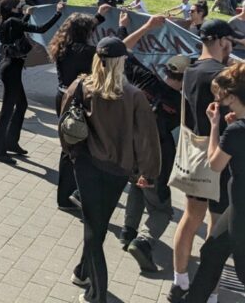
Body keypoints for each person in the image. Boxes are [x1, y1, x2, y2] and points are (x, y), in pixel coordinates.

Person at [168, 19, 245, 301]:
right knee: (220, 239)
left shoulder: (193, 69)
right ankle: (209, 293)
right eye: (229, 40)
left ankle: (180, 280)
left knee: (192, 220)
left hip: (199, 159)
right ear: (222, 41)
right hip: (228, 173)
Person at [61, 36, 160, 303]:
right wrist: (148, 173)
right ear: (122, 62)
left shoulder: (81, 86)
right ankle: (85, 275)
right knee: (98, 222)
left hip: (87, 164)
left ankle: (97, 293)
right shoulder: (135, 96)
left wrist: (71, 153)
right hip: (119, 169)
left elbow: (64, 121)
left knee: (95, 225)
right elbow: (148, 138)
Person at [185, 63, 245, 302]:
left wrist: (216, 126)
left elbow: (215, 165)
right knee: (212, 251)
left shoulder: (236, 130)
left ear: (233, 97)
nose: (217, 98)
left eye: (219, 94)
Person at [119, 15, 187, 274]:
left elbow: (122, 48)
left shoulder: (143, 78)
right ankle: (144, 241)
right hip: (158, 158)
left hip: (132, 149)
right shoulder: (183, 105)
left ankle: (127, 232)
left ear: (166, 68)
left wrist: (146, 27)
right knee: (161, 208)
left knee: (135, 185)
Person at [48, 6, 112, 211]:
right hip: (78, 101)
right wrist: (121, 30)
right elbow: (112, 53)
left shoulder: (62, 47)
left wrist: (99, 16)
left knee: (68, 145)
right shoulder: (89, 53)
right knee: (75, 148)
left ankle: (67, 193)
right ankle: (68, 196)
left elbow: (80, 26)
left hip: (62, 96)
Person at [0, 0, 63, 162]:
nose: (22, 6)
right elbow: (41, 28)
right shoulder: (14, 21)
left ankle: (11, 143)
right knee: (7, 111)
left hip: (10, 67)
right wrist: (58, 13)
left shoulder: (5, 20)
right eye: (20, 5)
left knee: (21, 105)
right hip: (12, 69)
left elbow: (16, 29)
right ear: (13, 9)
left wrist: (27, 15)